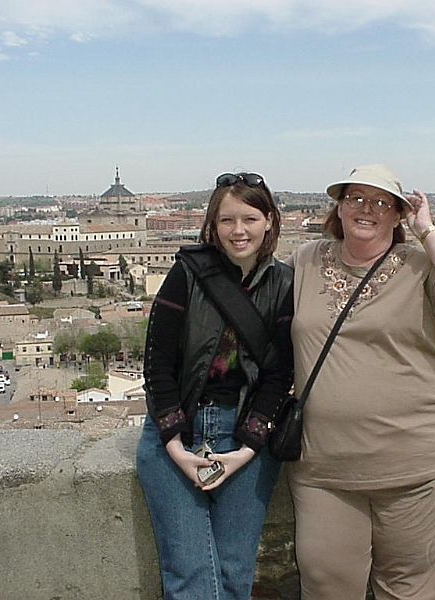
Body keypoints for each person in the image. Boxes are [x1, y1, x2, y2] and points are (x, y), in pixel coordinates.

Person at [285, 164, 435, 600]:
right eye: (355, 198)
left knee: (414, 592)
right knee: (325, 588)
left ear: (397, 214)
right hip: (324, 467)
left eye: (381, 202)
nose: (367, 209)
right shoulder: (305, 259)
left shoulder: (419, 265)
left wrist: (428, 231)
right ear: (338, 207)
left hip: (419, 464)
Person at [137, 171, 294, 600]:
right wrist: (175, 447)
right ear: (213, 224)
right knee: (188, 572)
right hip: (177, 432)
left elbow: (279, 376)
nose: (238, 230)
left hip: (245, 431)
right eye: (226, 220)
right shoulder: (186, 273)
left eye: (249, 218)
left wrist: (245, 449)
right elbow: (158, 364)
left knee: (233, 571)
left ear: (269, 221)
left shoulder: (284, 285)